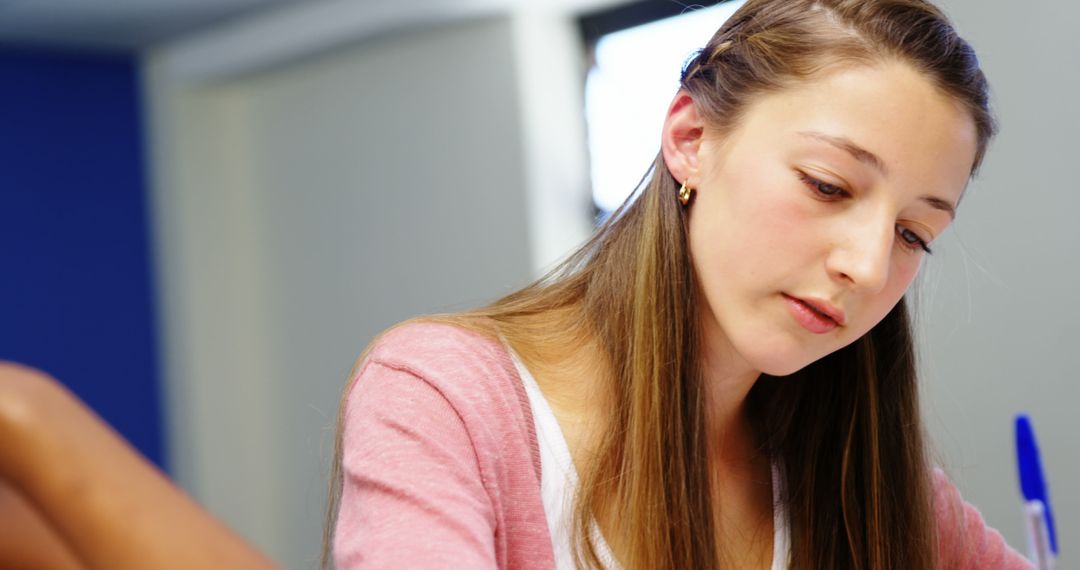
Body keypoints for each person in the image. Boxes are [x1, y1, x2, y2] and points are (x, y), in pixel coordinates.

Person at [325, 0, 1034, 569]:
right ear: (691, 139)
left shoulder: (866, 474)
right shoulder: (445, 400)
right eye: (828, 185)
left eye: (913, 235)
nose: (870, 267)